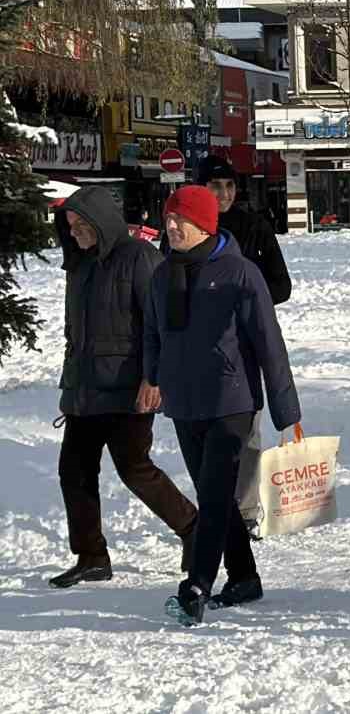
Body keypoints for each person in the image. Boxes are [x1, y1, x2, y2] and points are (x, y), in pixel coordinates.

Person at [144, 187, 302, 625]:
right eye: (169, 218)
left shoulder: (240, 274)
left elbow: (270, 345)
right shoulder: (162, 274)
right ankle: (245, 577)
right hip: (183, 400)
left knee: (214, 493)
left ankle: (196, 585)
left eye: (182, 220)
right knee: (215, 495)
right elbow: (153, 334)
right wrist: (152, 378)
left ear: (205, 224)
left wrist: (286, 412)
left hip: (231, 400)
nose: (172, 226)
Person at [49, 187, 198, 589]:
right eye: (70, 227)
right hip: (85, 389)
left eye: (81, 225)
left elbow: (162, 323)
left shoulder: (139, 257)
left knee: (135, 469)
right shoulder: (79, 265)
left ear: (101, 222)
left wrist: (155, 378)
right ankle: (92, 556)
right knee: (74, 472)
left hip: (129, 389)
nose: (75, 233)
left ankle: (192, 528)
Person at [196, 156, 294, 538]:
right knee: (201, 431)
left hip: (242, 342)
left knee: (245, 430)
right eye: (215, 186)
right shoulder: (181, 228)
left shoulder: (254, 227)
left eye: (229, 187)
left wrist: (242, 295)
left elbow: (281, 287)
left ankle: (247, 510)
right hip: (195, 343)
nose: (223, 194)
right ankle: (214, 506)